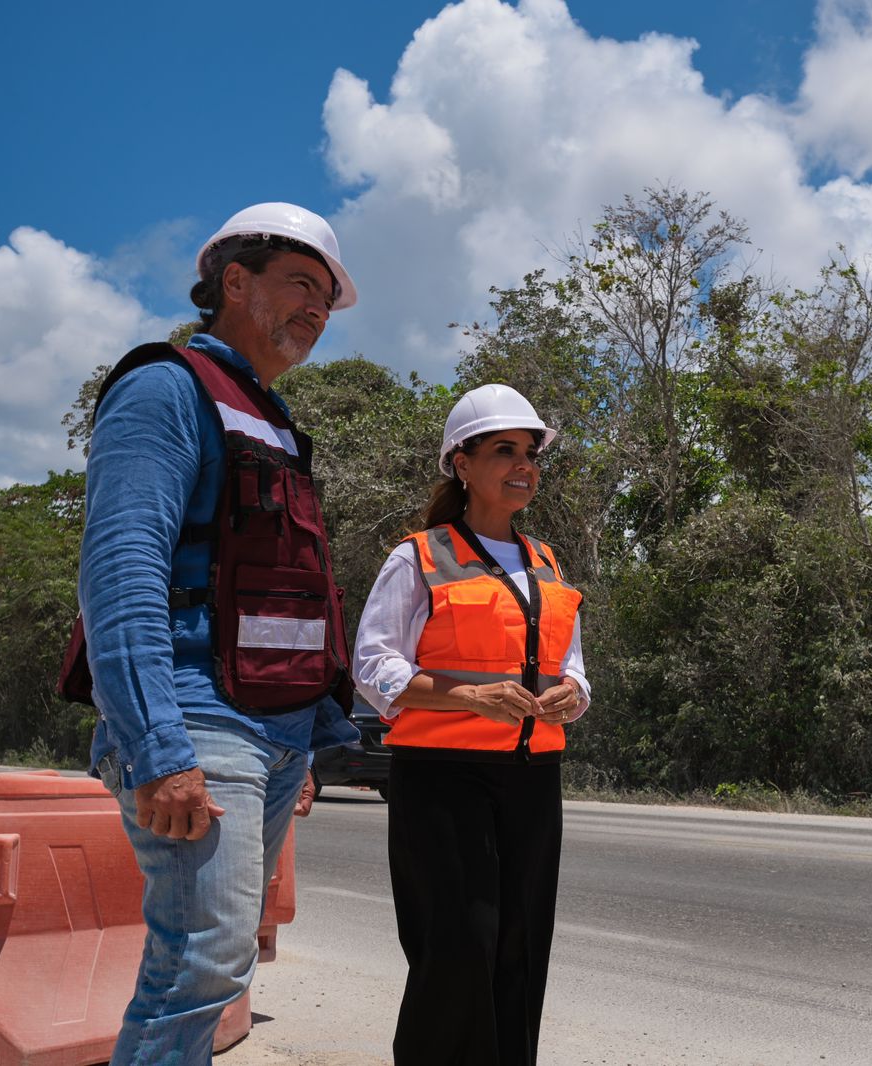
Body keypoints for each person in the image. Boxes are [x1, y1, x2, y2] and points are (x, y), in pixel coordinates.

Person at [66, 202, 361, 1065]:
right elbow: (121, 573)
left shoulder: (268, 417)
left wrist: (314, 735)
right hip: (197, 720)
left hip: (272, 730)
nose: (317, 308)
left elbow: (293, 598)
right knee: (201, 965)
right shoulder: (166, 387)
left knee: (217, 966)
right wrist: (156, 745)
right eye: (302, 284)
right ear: (234, 281)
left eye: (328, 297)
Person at [354, 384, 591, 1066]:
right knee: (456, 950)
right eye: (503, 451)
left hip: (532, 781)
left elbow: (573, 667)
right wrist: (473, 698)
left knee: (519, 948)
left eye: (530, 453)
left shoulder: (545, 561)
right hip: (442, 783)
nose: (524, 466)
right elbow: (374, 669)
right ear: (461, 463)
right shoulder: (419, 557)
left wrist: (571, 695)